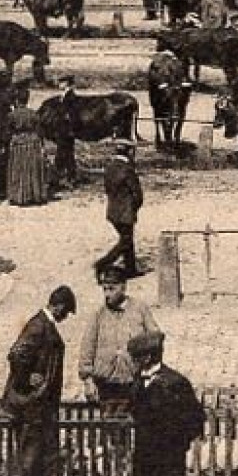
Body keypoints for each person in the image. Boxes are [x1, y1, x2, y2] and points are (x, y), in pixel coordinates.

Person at [2, 286, 78, 476]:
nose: (65, 317)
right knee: (28, 454)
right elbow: (16, 354)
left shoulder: (45, 325)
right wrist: (28, 378)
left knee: (49, 452)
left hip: (45, 404)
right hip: (31, 405)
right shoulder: (37, 326)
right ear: (58, 307)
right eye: (66, 312)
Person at [128, 332, 206, 476]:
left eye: (135, 357)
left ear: (147, 357)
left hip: (168, 460)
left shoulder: (176, 383)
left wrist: (176, 446)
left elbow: (196, 420)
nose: (132, 361)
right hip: (144, 458)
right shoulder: (137, 381)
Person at [78, 268, 159, 410]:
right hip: (105, 385)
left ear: (123, 287)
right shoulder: (98, 315)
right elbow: (87, 349)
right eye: (104, 289)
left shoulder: (140, 310)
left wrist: (148, 368)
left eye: (111, 289)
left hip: (134, 382)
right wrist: (88, 381)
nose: (107, 294)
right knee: (109, 428)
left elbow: (156, 339)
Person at [95, 143, 144, 278]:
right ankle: (102, 264)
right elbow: (137, 194)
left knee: (127, 239)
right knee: (125, 241)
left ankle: (131, 269)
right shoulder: (128, 169)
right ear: (129, 152)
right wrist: (134, 208)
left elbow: (107, 189)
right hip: (125, 212)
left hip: (112, 211)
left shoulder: (109, 168)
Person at [3, 85, 50, 206]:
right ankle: (35, 195)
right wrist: (42, 146)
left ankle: (18, 196)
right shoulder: (34, 114)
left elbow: (8, 131)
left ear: (17, 100)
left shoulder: (11, 115)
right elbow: (40, 131)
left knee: (18, 168)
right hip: (33, 142)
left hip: (18, 142)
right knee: (33, 168)